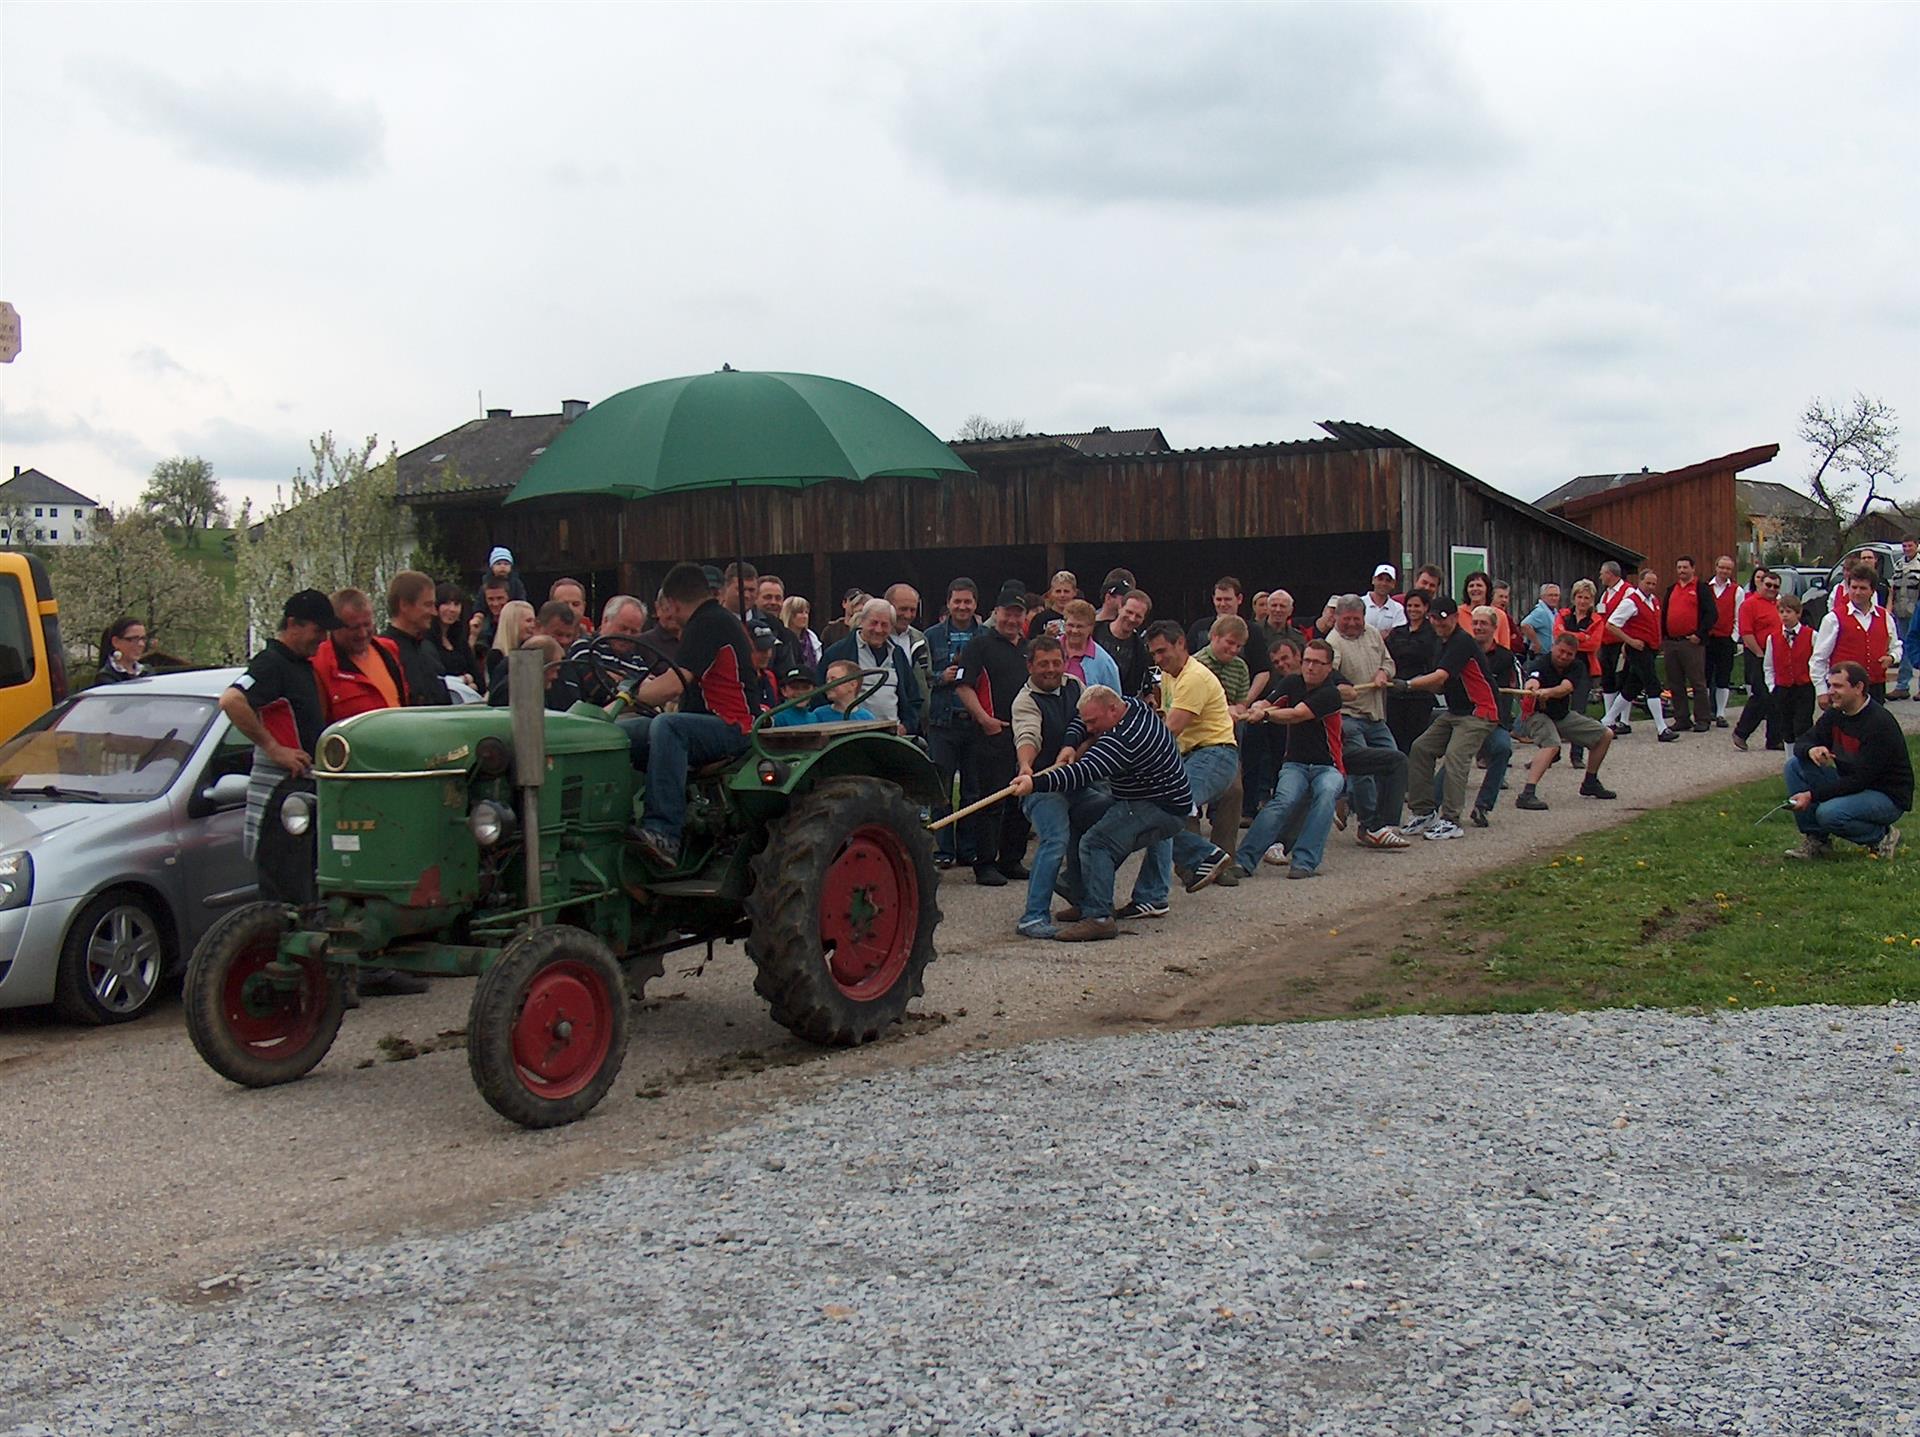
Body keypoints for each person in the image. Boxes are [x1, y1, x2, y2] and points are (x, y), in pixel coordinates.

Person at [1009, 686, 1194, 942]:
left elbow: (1083, 771)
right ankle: (1074, 902)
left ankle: (1098, 917)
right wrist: (1068, 745)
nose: (1090, 728)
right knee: (1075, 826)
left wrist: (1034, 783)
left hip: (1154, 804)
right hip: (1145, 799)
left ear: (1113, 710)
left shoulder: (1122, 739)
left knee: (1097, 842)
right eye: (1087, 722)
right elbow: (1073, 723)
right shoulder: (1132, 706)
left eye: (1093, 722)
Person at [625, 563, 767, 870]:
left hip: (734, 727)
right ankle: (618, 822)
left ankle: (664, 833)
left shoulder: (709, 622)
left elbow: (673, 684)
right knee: (622, 733)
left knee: (668, 726)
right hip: (704, 722)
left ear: (671, 603)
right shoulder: (707, 621)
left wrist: (627, 696)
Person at [219, 590, 337, 901]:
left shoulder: (301, 664)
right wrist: (273, 748)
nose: (323, 639)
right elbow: (231, 700)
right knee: (286, 898)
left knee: (308, 890)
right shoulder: (271, 663)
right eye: (318, 630)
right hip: (279, 794)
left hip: (301, 792)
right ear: (293, 624)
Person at [1127, 621, 1239, 910]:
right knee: (1159, 813)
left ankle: (1200, 858)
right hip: (1191, 755)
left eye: (1162, 651)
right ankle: (1155, 895)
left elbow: (1169, 731)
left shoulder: (1194, 677)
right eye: (1154, 653)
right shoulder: (1169, 676)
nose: (1158, 659)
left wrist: (1126, 754)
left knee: (1163, 811)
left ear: (1181, 644)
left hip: (1214, 755)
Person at [1010, 636, 1099, 938]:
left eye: (1056, 663)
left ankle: (1080, 896)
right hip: (1040, 787)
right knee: (1055, 839)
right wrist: (1026, 766)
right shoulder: (1025, 700)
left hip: (1077, 782)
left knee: (1108, 823)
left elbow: (1089, 724)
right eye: (1043, 664)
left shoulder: (1075, 685)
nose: (1051, 669)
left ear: (1064, 662)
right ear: (1029, 666)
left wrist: (1079, 748)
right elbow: (1028, 735)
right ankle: (1033, 917)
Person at [1393, 594, 1498, 841]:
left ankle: (1451, 819)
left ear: (1455, 617)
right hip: (1456, 711)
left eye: (1443, 618)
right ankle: (1423, 812)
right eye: (1434, 618)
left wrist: (1408, 685)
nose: (1439, 623)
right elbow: (1440, 685)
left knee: (1455, 756)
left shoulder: (1461, 641)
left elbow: (1440, 677)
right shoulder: (1439, 643)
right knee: (1421, 748)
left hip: (1479, 711)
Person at [1782, 661, 1910, 860]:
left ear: (1858, 688)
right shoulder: (1836, 714)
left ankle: (1882, 836)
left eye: (1838, 686)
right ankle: (1817, 841)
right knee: (1794, 766)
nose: (1831, 692)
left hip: (1885, 794)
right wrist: (1812, 749)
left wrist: (1811, 795)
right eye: (1830, 685)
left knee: (1829, 814)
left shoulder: (1879, 723)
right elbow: (1804, 742)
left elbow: (1861, 779)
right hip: (1854, 783)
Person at [954, 582, 1036, 887]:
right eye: (1007, 613)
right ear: (996, 613)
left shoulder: (1029, 649)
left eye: (1018, 614)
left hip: (1024, 736)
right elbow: (963, 686)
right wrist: (985, 719)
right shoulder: (979, 645)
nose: (1012, 620)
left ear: (1024, 616)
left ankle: (1011, 859)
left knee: (1021, 799)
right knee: (991, 800)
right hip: (993, 733)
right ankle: (985, 863)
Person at [1513, 631, 1617, 807]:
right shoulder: (1540, 663)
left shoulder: (1577, 667)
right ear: (1553, 647)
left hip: (1561, 715)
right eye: (1561, 651)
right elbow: (1533, 680)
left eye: (1569, 654)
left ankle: (1590, 782)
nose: (1563, 656)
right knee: (1552, 745)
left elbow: (1566, 688)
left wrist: (1548, 692)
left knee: (1605, 735)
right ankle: (1527, 794)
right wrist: (1533, 689)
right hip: (1536, 715)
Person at [925, 578, 985, 869]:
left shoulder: (986, 636)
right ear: (948, 603)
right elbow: (920, 678)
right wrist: (941, 677)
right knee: (942, 790)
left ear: (975, 604)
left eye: (967, 601)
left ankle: (968, 849)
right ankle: (943, 850)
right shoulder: (931, 636)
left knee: (973, 790)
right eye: (957, 601)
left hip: (975, 723)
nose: (962, 606)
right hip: (942, 722)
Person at [1323, 595, 1396, 829]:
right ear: (1336, 617)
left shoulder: (1373, 633)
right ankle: (1369, 823)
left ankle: (1383, 818)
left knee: (1394, 761)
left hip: (1375, 715)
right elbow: (1328, 674)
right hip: (1348, 716)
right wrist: (1344, 686)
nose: (1352, 623)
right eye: (1347, 619)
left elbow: (1388, 662)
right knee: (1363, 767)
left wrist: (1383, 673)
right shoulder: (1332, 642)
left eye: (1357, 619)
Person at [817, 597, 921, 734]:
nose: (878, 630)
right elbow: (820, 694)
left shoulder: (898, 654)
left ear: (891, 627)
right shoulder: (838, 652)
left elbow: (913, 696)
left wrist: (906, 726)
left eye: (884, 625)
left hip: (892, 736)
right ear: (862, 621)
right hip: (852, 734)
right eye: (874, 623)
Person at [1601, 567, 1676, 741]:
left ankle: (1607, 719)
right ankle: (1661, 728)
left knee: (1631, 688)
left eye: (1653, 584)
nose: (1650, 587)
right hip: (1638, 649)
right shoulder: (1631, 602)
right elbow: (1611, 624)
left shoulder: (1654, 601)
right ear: (1640, 582)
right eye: (1648, 583)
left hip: (1650, 649)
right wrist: (1630, 641)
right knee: (1652, 685)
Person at [1459, 605, 1517, 826]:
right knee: (1456, 757)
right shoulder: (1462, 652)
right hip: (1466, 717)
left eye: (1483, 623)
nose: (1478, 627)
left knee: (1503, 748)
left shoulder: (1505, 657)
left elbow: (1502, 695)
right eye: (1475, 623)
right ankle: (1432, 806)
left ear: (1494, 627)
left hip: (1492, 719)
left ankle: (1483, 805)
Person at [1812, 565, 1902, 705]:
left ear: (1872, 591)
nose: (1857, 592)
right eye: (1854, 587)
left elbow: (1896, 646)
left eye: (1863, 588)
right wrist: (1821, 691)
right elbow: (1819, 658)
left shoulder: (1884, 617)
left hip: (1875, 688)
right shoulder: (1833, 619)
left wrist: (1892, 657)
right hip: (1844, 689)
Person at [313, 587, 408, 718]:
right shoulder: (320, 664)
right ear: (334, 627)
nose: (362, 634)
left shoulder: (388, 649)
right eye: (354, 628)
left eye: (367, 625)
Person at [1660, 556, 1718, 733]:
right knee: (1675, 682)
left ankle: (1702, 718)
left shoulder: (1701, 589)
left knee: (1697, 682)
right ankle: (1682, 718)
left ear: (1693, 569)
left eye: (1685, 567)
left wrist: (1699, 635)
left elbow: (1712, 614)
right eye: (1679, 567)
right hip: (1672, 642)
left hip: (1691, 643)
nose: (1682, 571)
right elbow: (1664, 613)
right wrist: (1664, 637)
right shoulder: (1672, 589)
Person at [1731, 571, 1784, 751]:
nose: (1771, 589)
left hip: (1777, 656)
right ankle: (1741, 732)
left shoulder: (1779, 605)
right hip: (1758, 655)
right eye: (1768, 585)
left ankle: (1774, 739)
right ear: (1760, 583)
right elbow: (1746, 633)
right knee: (1761, 696)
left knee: (1776, 697)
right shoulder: (1749, 604)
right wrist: (1760, 654)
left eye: (1776, 586)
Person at [383, 570, 452, 706]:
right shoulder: (383, 652)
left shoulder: (428, 649)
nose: (434, 612)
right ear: (404, 605)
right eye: (427, 605)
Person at [1383, 592, 1439, 753]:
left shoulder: (1433, 633)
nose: (1412, 609)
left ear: (1426, 608)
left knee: (1416, 742)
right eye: (1409, 606)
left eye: (1417, 606)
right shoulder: (1397, 632)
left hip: (1420, 696)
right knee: (1396, 740)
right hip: (1395, 694)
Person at [1764, 593, 1817, 747]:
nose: (1785, 615)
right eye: (1781, 612)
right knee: (1786, 727)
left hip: (1804, 687)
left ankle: (1803, 754)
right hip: (1783, 688)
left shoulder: (1811, 635)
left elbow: (1819, 661)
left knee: (1803, 724)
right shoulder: (1772, 638)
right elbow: (1768, 666)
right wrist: (1772, 686)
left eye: (1789, 612)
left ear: (1798, 614)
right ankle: (1789, 757)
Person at [1093, 589, 1153, 697]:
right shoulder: (1094, 631)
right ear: (1120, 607)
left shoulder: (1140, 648)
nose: (1132, 618)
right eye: (1129, 612)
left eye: (1138, 616)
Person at [431, 582, 486, 693]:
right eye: (446, 603)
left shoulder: (459, 641)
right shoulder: (427, 641)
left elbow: (479, 682)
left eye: (456, 604)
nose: (452, 609)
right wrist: (465, 680)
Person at [1059, 600, 1122, 692]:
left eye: (1080, 626)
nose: (1074, 631)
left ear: (1091, 628)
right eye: (1070, 625)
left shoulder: (1104, 662)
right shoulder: (1049, 649)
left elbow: (1114, 698)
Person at [1707, 555, 1741, 725]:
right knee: (1706, 676)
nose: (1724, 571)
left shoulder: (1737, 590)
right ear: (1716, 567)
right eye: (1722, 567)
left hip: (1725, 639)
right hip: (1708, 639)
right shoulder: (1706, 588)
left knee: (1723, 676)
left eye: (1728, 569)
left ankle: (1720, 713)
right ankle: (1707, 711)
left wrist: (1733, 637)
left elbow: (1738, 616)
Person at [486, 599, 536, 693]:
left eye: (534, 621)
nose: (533, 625)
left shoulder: (532, 653)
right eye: (528, 621)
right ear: (513, 623)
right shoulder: (496, 655)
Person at [1892, 538, 1919, 700]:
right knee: (1903, 649)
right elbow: (1892, 589)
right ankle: (1902, 686)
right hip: (1901, 613)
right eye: (1904, 546)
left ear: (1917, 546)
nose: (1907, 548)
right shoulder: (1899, 565)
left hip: (1917, 612)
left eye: (1910, 545)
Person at [92, 617, 149, 684]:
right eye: (134, 639)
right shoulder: (106, 677)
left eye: (143, 639)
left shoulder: (147, 671)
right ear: (116, 642)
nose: (141, 644)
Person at [1027, 571, 1079, 639]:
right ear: (1051, 593)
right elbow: (1031, 643)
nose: (1062, 595)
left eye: (1066, 591)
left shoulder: (1081, 618)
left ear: (1075, 592)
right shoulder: (1039, 619)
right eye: (1058, 591)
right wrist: (1046, 637)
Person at [1520, 583, 1561, 663]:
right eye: (1550, 595)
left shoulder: (1554, 612)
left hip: (1550, 655)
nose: (1554, 598)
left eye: (1556, 595)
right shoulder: (1540, 611)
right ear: (1543, 597)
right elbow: (1524, 625)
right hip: (1541, 656)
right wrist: (1536, 643)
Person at [780, 594, 821, 673]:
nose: (805, 616)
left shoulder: (812, 637)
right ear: (789, 614)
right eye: (800, 612)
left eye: (806, 612)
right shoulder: (782, 637)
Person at [1362, 565, 1407, 634]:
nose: (1384, 583)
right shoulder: (1359, 603)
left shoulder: (1398, 609)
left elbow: (1399, 633)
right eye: (1380, 579)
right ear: (1373, 580)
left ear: (1393, 584)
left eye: (1388, 580)